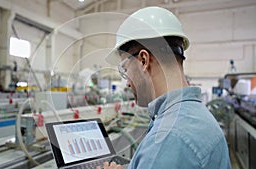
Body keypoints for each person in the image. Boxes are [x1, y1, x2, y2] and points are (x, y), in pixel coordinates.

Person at [99, 7, 231, 169]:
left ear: (143, 60)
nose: (127, 83)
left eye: (125, 69)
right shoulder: (194, 115)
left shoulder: (168, 139)